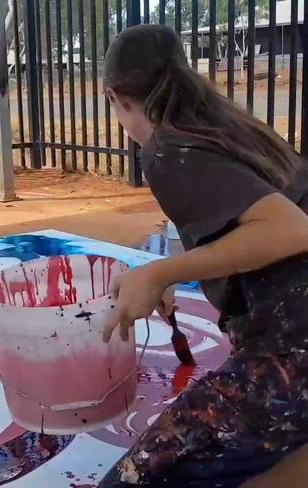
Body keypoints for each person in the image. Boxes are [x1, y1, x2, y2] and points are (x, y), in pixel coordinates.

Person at [99, 24, 308, 487]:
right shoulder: (229, 126)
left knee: (133, 479)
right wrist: (178, 272)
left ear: (115, 97)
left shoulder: (167, 152)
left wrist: (162, 272)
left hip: (293, 361)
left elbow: (292, 229)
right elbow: (247, 220)